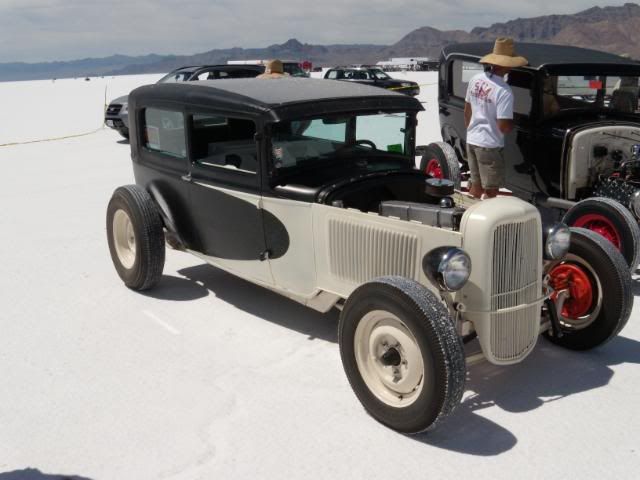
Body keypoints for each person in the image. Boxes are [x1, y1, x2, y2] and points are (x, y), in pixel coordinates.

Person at [464, 37, 528, 199]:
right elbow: (503, 127)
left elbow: (467, 109)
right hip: (489, 145)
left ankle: (468, 212)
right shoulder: (503, 91)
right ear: (507, 65)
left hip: (472, 139)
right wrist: (516, 122)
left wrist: (471, 130)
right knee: (491, 190)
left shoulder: (476, 79)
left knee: (476, 186)